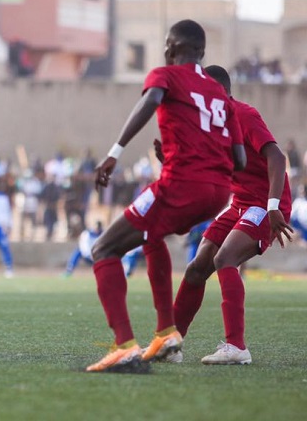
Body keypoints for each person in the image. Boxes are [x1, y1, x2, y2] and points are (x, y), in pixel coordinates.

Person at [85, 19, 246, 373]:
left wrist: (115, 152)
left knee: (103, 249)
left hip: (182, 185)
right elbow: (240, 160)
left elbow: (151, 100)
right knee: (151, 234)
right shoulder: (221, 95)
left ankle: (124, 345)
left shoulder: (166, 75)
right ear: (202, 52)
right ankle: (165, 332)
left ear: (170, 48)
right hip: (218, 194)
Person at [171, 65, 293, 365]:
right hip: (240, 203)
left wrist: (273, 206)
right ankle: (169, 344)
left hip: (265, 203)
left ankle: (236, 347)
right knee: (197, 267)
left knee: (225, 258)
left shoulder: (243, 114)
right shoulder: (209, 125)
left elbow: (277, 157)